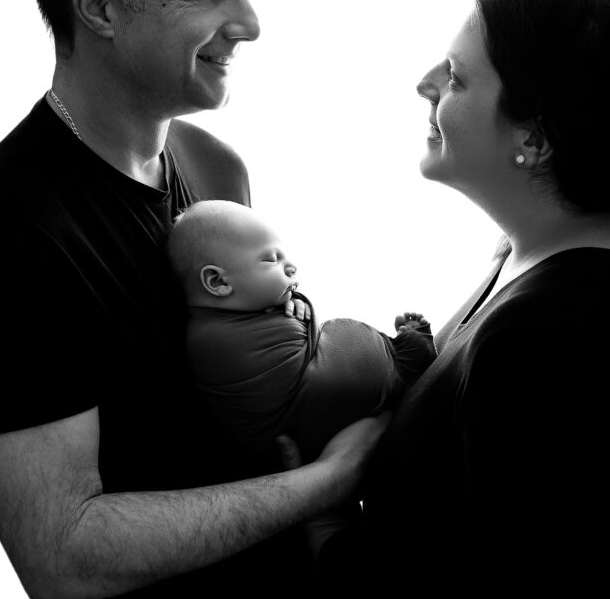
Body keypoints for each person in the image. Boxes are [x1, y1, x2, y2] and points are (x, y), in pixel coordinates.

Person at [0, 0, 387, 597]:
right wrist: (327, 483)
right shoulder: (3, 231)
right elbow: (64, 556)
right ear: (99, 8)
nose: (250, 21)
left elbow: (260, 406)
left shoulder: (216, 167)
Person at [302, 0, 610, 596]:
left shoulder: (554, 336)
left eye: (457, 77)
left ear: (534, 138)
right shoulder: (531, 254)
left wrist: (322, 520)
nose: (425, 84)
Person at [167, 199, 435, 465]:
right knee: (348, 347)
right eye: (271, 259)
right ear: (218, 281)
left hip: (300, 439)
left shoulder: (222, 319)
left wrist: (288, 298)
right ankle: (406, 358)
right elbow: (300, 337)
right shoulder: (211, 342)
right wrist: (301, 307)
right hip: (303, 421)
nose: (291, 266)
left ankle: (399, 362)